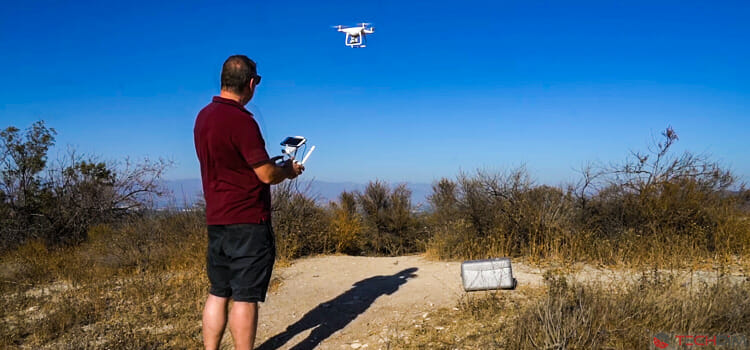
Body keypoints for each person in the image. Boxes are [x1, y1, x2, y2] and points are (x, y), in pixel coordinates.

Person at [194, 55, 304, 350]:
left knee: (218, 292)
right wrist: (288, 171)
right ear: (251, 83)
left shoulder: (202, 118)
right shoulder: (242, 121)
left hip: (216, 219)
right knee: (245, 296)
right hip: (247, 220)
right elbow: (266, 175)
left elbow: (232, 163)